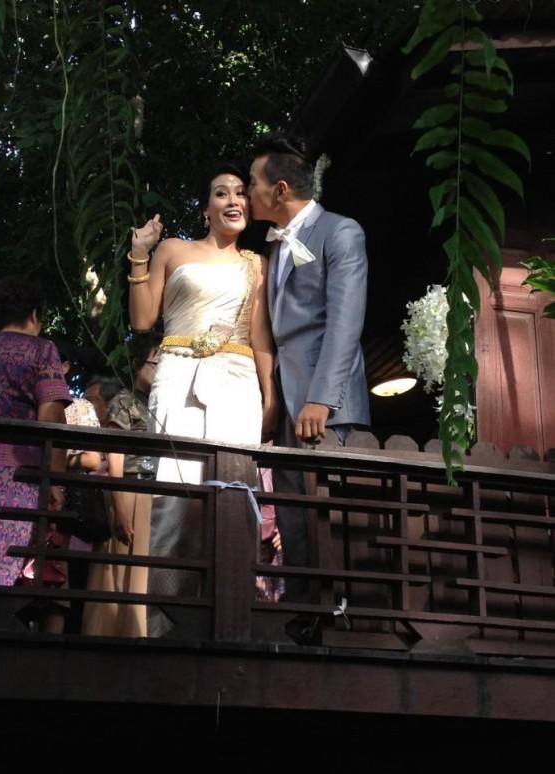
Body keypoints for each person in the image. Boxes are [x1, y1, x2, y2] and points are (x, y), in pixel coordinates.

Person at [128, 163, 279, 636]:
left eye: (240, 192)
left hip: (237, 381)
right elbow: (142, 321)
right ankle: (162, 624)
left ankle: (231, 622)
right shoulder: (173, 250)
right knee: (176, 496)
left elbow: (260, 338)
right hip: (178, 374)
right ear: (205, 209)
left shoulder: (256, 264)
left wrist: (270, 397)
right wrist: (139, 255)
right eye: (221, 193)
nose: (233, 200)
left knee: (234, 495)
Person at [248, 132, 370, 608]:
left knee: (331, 521)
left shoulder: (341, 231)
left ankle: (341, 619)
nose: (248, 192)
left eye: (253, 183)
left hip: (326, 405)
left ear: (279, 189)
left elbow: (345, 321)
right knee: (294, 521)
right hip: (286, 404)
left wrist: (322, 397)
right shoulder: (275, 247)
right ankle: (303, 616)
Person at [0, 278, 70, 602]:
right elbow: (51, 419)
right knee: (7, 570)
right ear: (34, 314)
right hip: (20, 478)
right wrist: (56, 481)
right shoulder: (42, 350)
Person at [82, 333, 160, 637]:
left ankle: (140, 632)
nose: (160, 370)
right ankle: (110, 634)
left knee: (144, 568)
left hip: (155, 489)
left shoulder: (161, 403)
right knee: (119, 568)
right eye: (155, 363)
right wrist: (120, 506)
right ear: (139, 364)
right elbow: (115, 454)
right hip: (131, 486)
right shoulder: (124, 401)